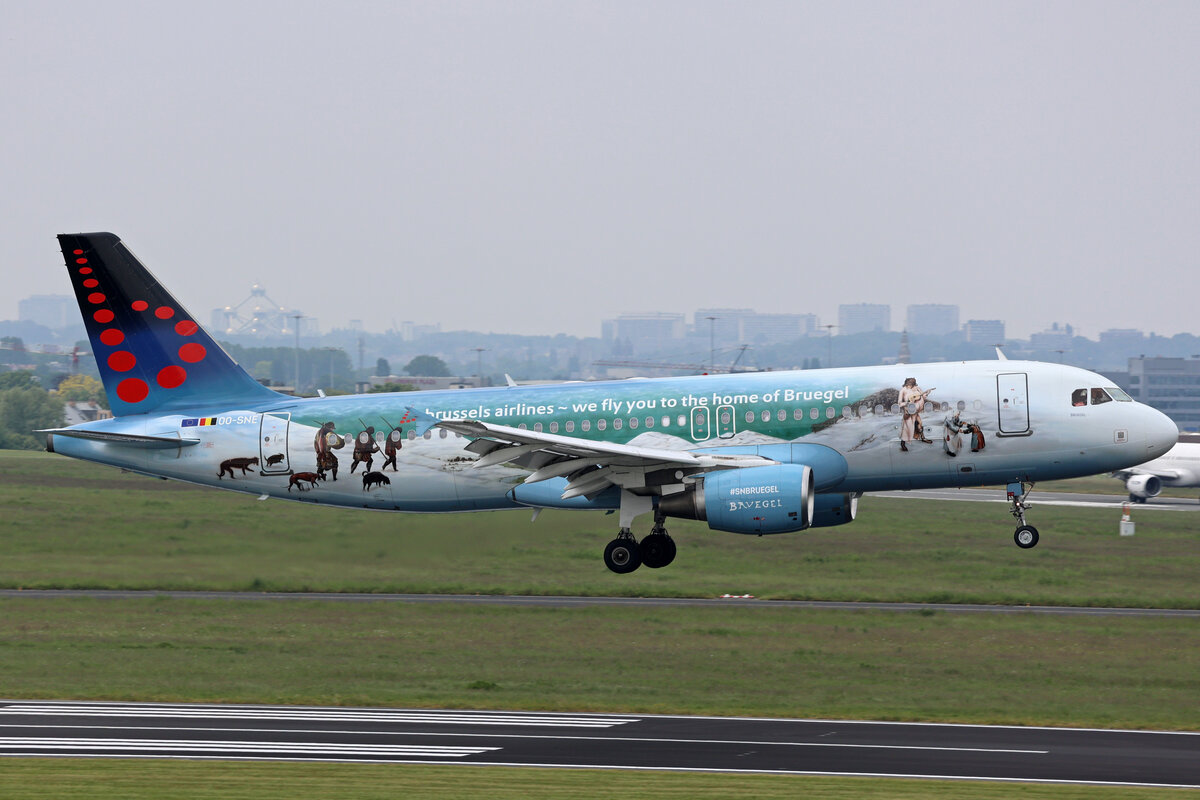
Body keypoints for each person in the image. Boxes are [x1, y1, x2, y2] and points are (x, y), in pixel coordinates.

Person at [899, 378, 934, 451]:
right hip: (909, 412)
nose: (908, 386)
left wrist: (927, 393)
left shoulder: (917, 388)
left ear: (913, 384)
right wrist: (908, 402)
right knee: (907, 428)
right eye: (907, 384)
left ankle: (923, 438)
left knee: (920, 424)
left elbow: (923, 396)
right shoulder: (903, 390)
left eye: (910, 384)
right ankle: (903, 444)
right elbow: (899, 403)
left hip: (916, 412)